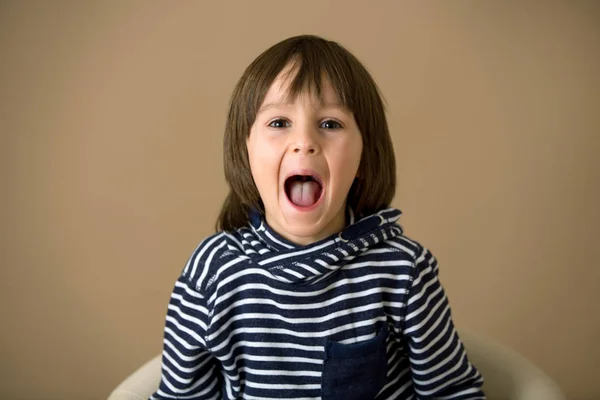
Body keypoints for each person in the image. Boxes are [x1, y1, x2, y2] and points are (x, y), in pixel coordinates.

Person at [150, 35, 485, 400]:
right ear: (245, 152)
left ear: (364, 157)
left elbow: (452, 393)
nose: (304, 141)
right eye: (279, 123)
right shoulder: (213, 273)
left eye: (330, 124)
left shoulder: (402, 270)